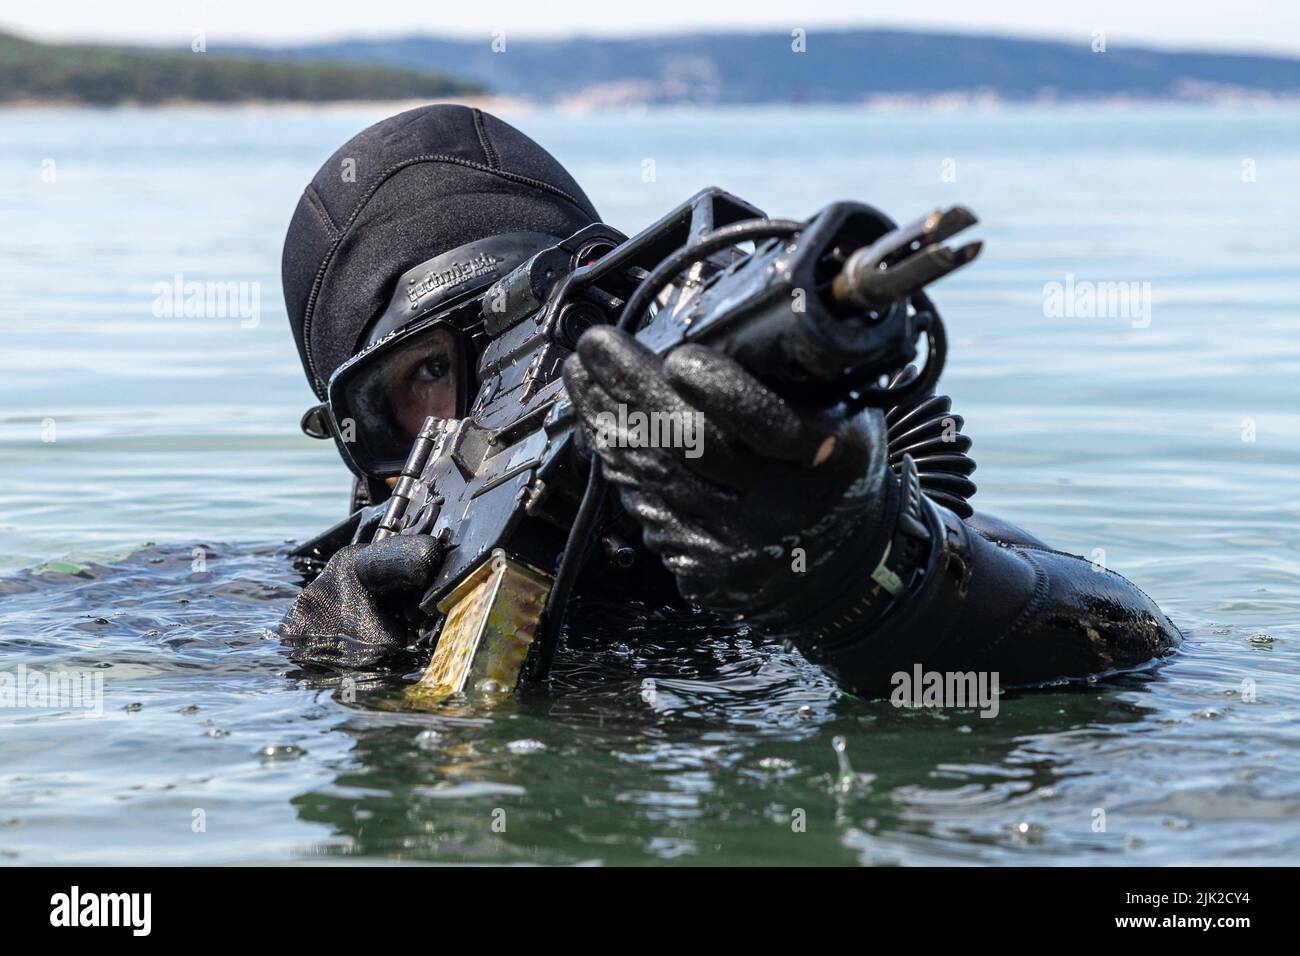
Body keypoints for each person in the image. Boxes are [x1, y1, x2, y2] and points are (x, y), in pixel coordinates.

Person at [278, 104, 1180, 696]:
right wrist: (332, 670)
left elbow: (1130, 643)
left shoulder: (776, 501)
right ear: (362, 448)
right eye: (425, 376)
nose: (485, 412)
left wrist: (849, 561)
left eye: (548, 343)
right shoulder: (294, 598)